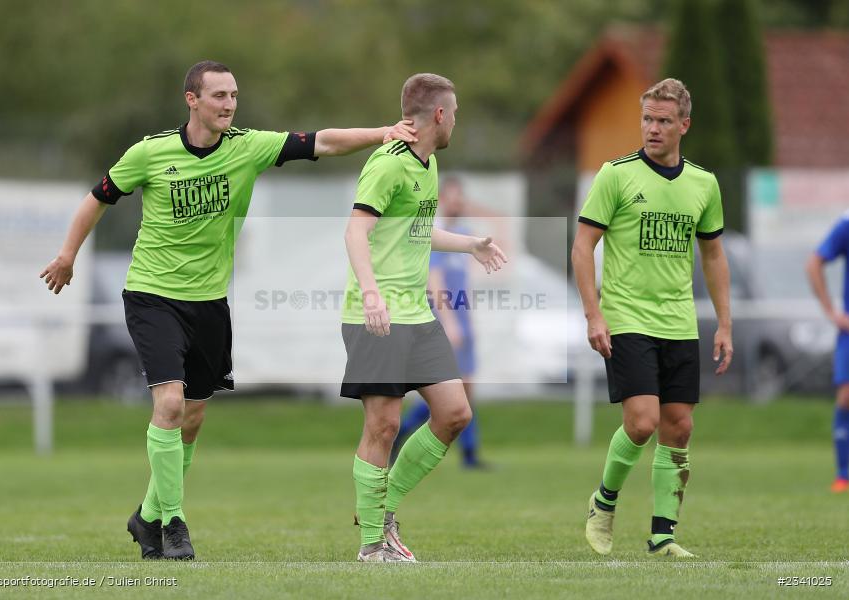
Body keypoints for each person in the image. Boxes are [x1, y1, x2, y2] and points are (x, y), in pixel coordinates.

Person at [39, 60, 417, 561]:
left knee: (191, 418)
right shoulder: (150, 153)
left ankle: (147, 515)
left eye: (234, 95)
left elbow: (320, 142)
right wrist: (68, 255)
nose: (230, 104)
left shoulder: (247, 147)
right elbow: (97, 198)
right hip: (152, 295)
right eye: (219, 95)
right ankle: (174, 525)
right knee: (169, 404)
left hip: (210, 303)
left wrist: (382, 133)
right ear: (191, 100)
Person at [341, 73, 507, 562]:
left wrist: (470, 243)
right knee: (383, 427)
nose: (456, 120)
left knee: (455, 413)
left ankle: (381, 507)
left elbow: (417, 231)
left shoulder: (428, 163)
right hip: (379, 313)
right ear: (438, 114)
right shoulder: (387, 163)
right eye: (454, 112)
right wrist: (372, 294)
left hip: (416, 312)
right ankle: (373, 544)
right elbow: (355, 233)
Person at [571, 78, 733, 558]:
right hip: (626, 317)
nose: (653, 129)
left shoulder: (703, 183)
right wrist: (593, 313)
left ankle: (663, 535)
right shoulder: (615, 175)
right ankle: (603, 503)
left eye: (664, 121)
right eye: (647, 119)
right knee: (642, 422)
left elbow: (714, 255)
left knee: (678, 427)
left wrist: (725, 323)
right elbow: (583, 247)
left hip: (679, 321)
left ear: (684, 124)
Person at [392, 176, 487, 469]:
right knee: (450, 392)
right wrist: (449, 322)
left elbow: (465, 281)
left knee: (466, 389)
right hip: (444, 321)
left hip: (462, 319)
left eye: (461, 196)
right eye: (452, 196)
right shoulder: (434, 233)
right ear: (441, 199)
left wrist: (467, 319)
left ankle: (469, 454)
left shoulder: (466, 234)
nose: (457, 201)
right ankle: (402, 432)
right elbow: (434, 282)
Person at [806, 213, 849, 493]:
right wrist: (832, 312)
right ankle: (843, 475)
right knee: (847, 396)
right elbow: (813, 264)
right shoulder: (847, 225)